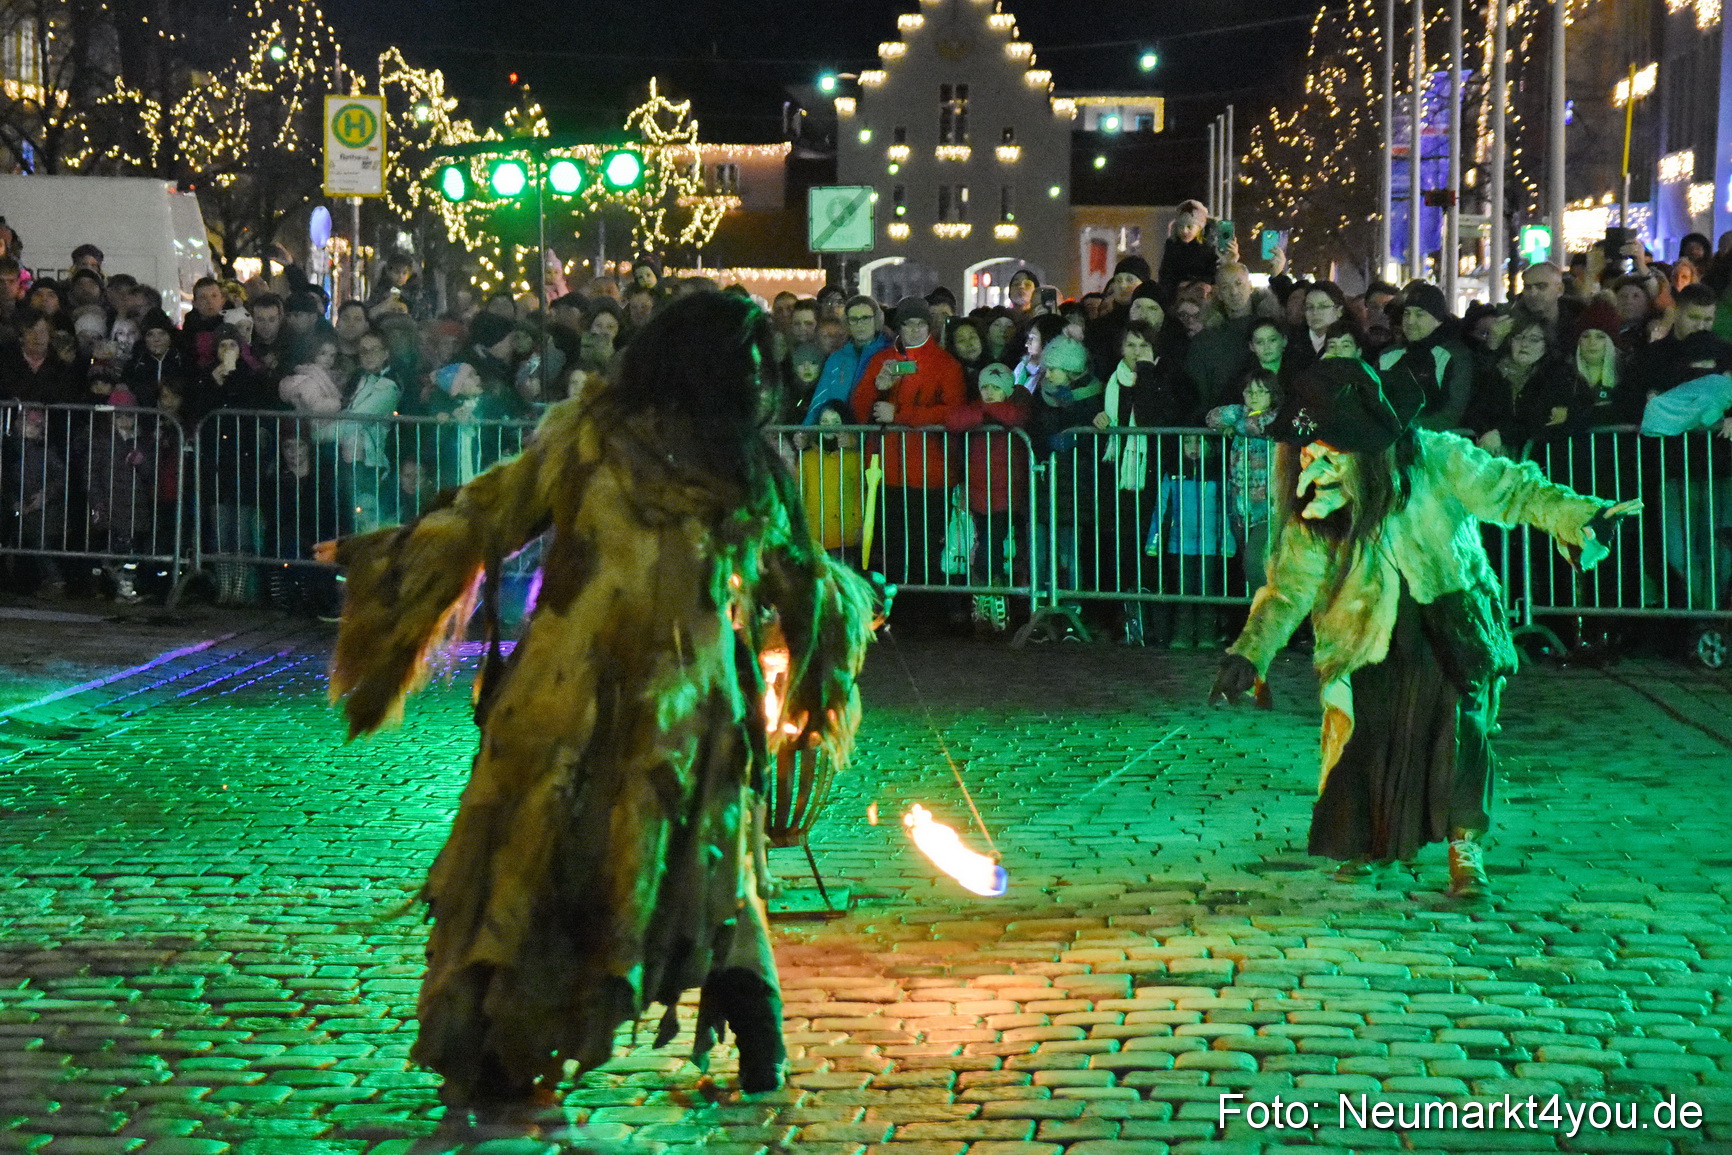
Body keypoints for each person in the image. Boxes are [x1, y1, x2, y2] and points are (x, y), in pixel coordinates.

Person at [320, 291, 877, 1117]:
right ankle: (500, 1043)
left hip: (666, 711)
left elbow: (789, 575)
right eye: (748, 365)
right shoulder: (623, 444)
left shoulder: (734, 464)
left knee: (693, 869)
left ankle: (749, 1032)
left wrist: (838, 607)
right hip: (590, 705)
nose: (762, 380)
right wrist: (396, 563)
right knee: (564, 869)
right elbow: (488, 513)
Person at [1209, 360, 1641, 896]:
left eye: (1332, 443)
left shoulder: (1438, 457)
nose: (1316, 456)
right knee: (1366, 739)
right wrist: (1250, 653)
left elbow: (1513, 490)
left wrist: (1579, 516)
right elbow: (1289, 588)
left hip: (1449, 621)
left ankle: (1466, 848)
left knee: (1460, 733)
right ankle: (1372, 844)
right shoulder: (1316, 501)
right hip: (1366, 634)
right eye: (1310, 443)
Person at [850, 295, 967, 588]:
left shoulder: (945, 364)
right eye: (908, 324)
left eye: (920, 324)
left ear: (929, 326)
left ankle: (924, 610)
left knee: (925, 547)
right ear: (899, 327)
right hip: (887, 471)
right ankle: (898, 610)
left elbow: (952, 411)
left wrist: (900, 414)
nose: (914, 330)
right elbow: (859, 410)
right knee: (891, 547)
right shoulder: (881, 360)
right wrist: (878, 387)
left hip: (930, 473)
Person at [944, 361, 1033, 633]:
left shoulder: (1017, 406)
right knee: (986, 542)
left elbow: (1015, 417)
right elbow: (953, 420)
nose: (989, 393)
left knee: (998, 543)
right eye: (985, 388)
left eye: (996, 387)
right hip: (980, 493)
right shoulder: (978, 410)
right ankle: (988, 591)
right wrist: (986, 413)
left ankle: (992, 590)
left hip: (1008, 492)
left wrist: (984, 412)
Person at [1376, 283, 1472, 431]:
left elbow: (1452, 412)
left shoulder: (1453, 356)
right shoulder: (1388, 356)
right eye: (1407, 313)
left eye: (1419, 314)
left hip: (1435, 443)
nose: (1410, 321)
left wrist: (1407, 430)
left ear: (1438, 320)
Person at [1158, 200, 1220, 293]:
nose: (1184, 231)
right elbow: (1165, 274)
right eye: (1180, 226)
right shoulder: (1172, 246)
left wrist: (1195, 284)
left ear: (1199, 228)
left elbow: (1214, 275)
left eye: (1190, 226)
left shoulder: (1210, 248)